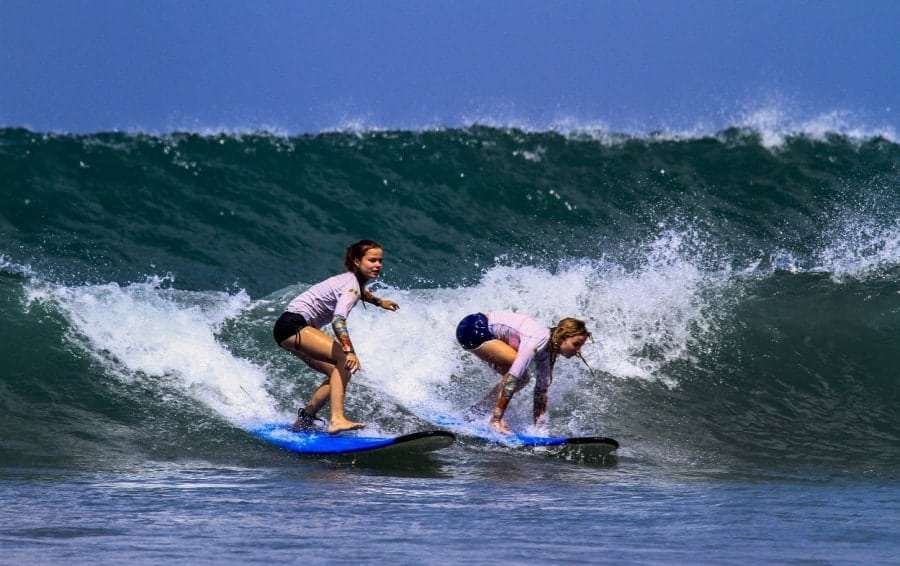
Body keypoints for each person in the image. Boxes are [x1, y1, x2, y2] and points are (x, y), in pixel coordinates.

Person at [273, 240, 399, 433]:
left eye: (380, 261)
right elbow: (338, 320)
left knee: (337, 372)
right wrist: (349, 351)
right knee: (344, 361)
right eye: (372, 260)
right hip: (294, 325)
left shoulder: (351, 281)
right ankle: (337, 419)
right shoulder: (352, 285)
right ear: (357, 261)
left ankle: (304, 420)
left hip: (288, 327)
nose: (378, 265)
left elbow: (359, 292)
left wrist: (379, 302)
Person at [455, 311, 592, 434]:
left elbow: (540, 393)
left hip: (484, 331)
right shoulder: (539, 339)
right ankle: (493, 418)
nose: (579, 350)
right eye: (576, 344)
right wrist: (497, 419)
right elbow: (513, 378)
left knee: (524, 379)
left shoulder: (548, 352)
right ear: (562, 337)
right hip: (473, 327)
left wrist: (540, 431)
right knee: (518, 374)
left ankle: (476, 412)